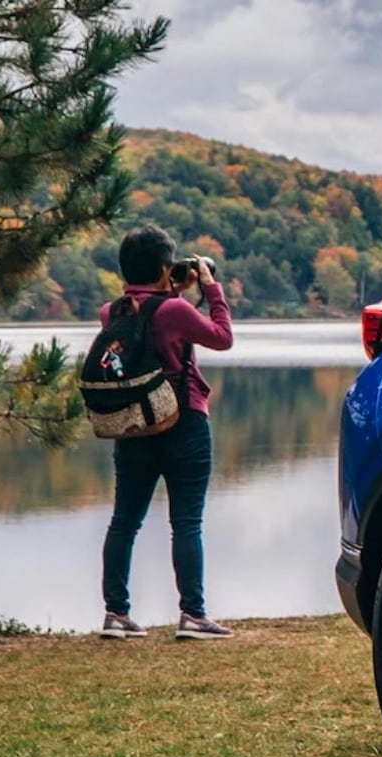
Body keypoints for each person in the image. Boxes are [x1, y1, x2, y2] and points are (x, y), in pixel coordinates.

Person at [98, 226, 236, 640]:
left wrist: (170, 289)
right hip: (183, 425)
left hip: (134, 426)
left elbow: (152, 320)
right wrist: (210, 288)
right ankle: (192, 615)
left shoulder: (113, 312)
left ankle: (115, 614)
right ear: (164, 267)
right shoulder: (175, 311)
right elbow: (222, 337)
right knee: (187, 522)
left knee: (124, 522)